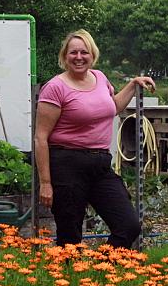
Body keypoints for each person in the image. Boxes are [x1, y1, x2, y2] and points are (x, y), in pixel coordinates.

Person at [35, 29, 155, 249]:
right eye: (73, 53)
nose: (79, 57)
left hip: (100, 164)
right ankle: (69, 280)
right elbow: (40, 138)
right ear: (64, 56)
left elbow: (114, 107)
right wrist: (45, 183)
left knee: (128, 225)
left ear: (92, 55)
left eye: (84, 52)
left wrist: (133, 84)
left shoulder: (100, 78)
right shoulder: (55, 88)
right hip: (66, 164)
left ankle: (102, 269)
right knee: (69, 238)